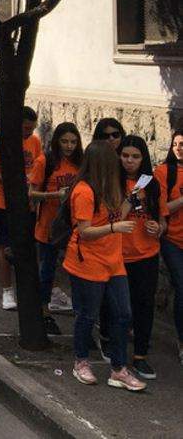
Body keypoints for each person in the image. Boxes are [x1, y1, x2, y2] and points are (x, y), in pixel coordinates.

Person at [63, 141, 144, 391]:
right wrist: (113, 228)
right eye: (114, 160)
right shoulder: (84, 191)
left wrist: (132, 200)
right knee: (87, 315)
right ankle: (81, 361)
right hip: (88, 262)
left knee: (123, 314)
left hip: (113, 261)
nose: (120, 163)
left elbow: (116, 215)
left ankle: (118, 369)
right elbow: (85, 231)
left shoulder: (112, 187)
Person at [0, 105, 43, 311]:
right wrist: (12, 180)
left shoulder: (35, 141)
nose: (28, 133)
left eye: (31, 128)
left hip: (28, 202)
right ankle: (7, 290)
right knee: (4, 245)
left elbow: (37, 166)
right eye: (26, 128)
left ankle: (27, 289)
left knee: (27, 246)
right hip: (4, 201)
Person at [115, 135, 162, 380]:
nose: (129, 161)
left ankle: (141, 356)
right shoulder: (112, 181)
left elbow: (161, 217)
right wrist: (131, 198)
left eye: (135, 157)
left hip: (147, 254)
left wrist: (158, 227)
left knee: (144, 306)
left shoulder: (152, 184)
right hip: (119, 254)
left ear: (143, 159)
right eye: (125, 156)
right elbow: (113, 218)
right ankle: (119, 357)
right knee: (122, 309)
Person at [28, 122, 82, 332]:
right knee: (47, 270)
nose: (69, 146)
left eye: (73, 142)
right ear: (57, 141)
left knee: (76, 271)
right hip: (49, 226)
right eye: (65, 141)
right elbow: (32, 193)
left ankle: (79, 314)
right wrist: (55, 195)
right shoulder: (45, 162)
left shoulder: (80, 163)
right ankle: (44, 312)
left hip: (73, 225)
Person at [155, 128, 183, 365]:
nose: (179, 148)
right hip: (173, 240)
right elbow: (162, 208)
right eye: (175, 144)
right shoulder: (165, 172)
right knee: (182, 287)